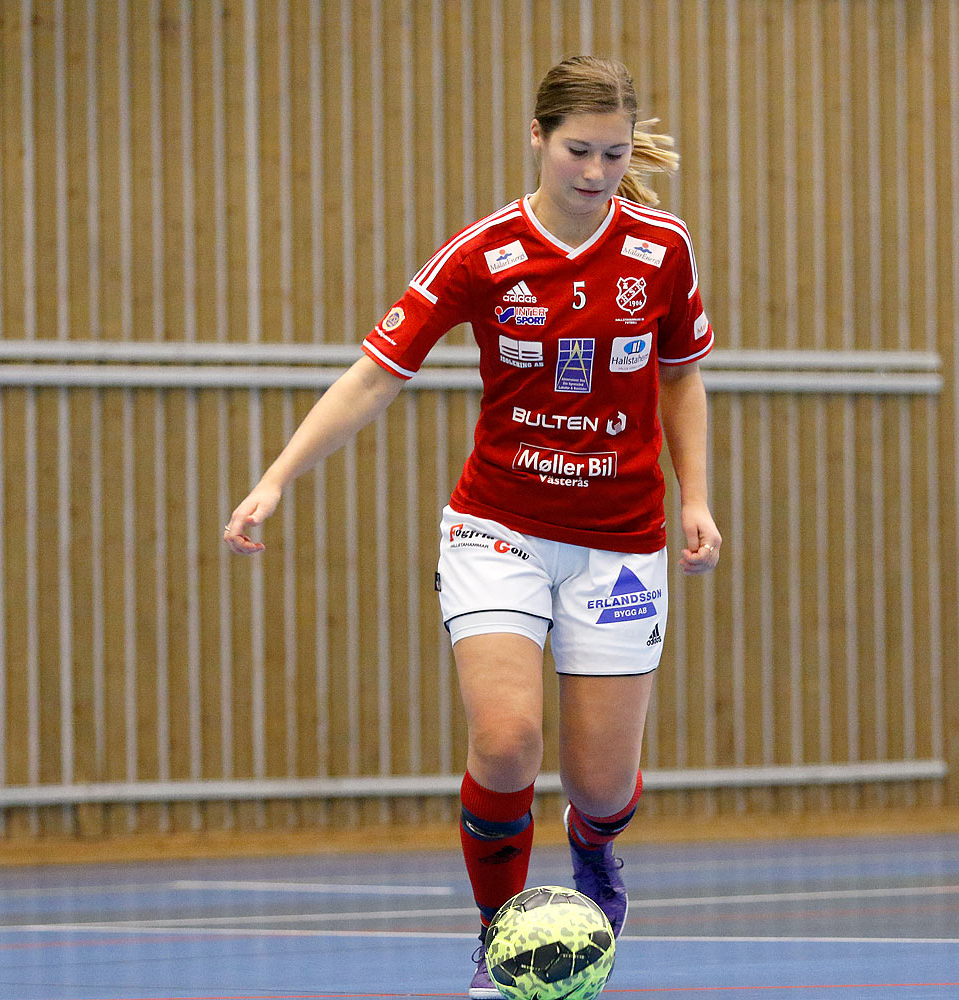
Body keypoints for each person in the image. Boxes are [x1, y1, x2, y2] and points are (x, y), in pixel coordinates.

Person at [223, 55, 721, 998]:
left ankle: (593, 849)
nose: (597, 172)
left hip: (618, 542)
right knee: (505, 740)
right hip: (501, 528)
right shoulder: (482, 254)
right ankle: (502, 937)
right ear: (536, 138)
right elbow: (374, 374)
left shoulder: (662, 249)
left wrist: (693, 498)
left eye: (616, 154)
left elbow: (681, 372)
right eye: (579, 150)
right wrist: (276, 479)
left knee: (603, 785)